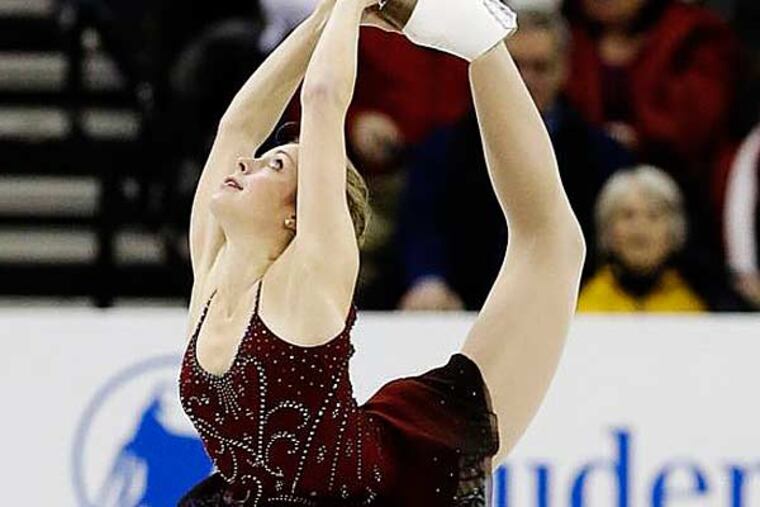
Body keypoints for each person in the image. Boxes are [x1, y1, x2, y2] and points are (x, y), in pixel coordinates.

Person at [177, 0, 585, 504]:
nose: (247, 166)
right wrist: (328, 14)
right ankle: (478, 37)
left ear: (299, 216)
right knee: (552, 244)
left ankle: (483, 40)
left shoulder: (311, 277)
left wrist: (350, 5)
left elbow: (324, 99)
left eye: (274, 167)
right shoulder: (215, 268)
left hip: (392, 485)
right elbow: (237, 127)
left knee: (553, 244)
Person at [398, 8, 630, 311]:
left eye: (540, 67)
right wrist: (428, 279)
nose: (526, 79)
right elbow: (422, 225)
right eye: (515, 66)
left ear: (564, 70)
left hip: (573, 314)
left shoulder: (603, 155)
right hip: (465, 312)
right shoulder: (442, 150)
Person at [578, 165, 710, 312]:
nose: (640, 228)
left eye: (653, 216)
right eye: (628, 215)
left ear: (674, 230)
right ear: (607, 227)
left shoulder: (693, 309)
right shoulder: (585, 306)